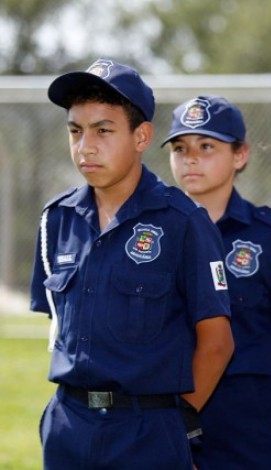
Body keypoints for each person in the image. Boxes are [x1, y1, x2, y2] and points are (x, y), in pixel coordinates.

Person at [31, 58, 234, 469]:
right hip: (68, 426)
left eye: (103, 131)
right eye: (76, 131)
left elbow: (217, 342)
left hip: (147, 432)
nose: (85, 146)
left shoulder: (182, 222)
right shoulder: (56, 219)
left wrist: (174, 422)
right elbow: (57, 326)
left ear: (141, 137)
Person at [164, 95, 271, 470]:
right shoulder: (152, 236)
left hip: (243, 420)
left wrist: (263, 385)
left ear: (240, 155)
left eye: (207, 146)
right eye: (180, 148)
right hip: (164, 413)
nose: (191, 158)